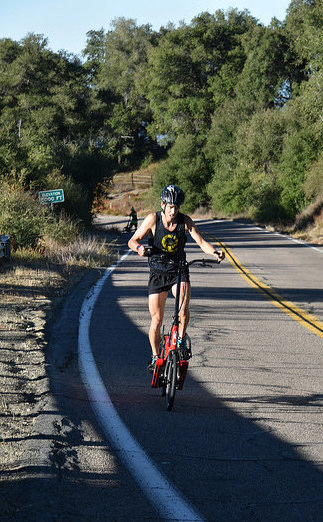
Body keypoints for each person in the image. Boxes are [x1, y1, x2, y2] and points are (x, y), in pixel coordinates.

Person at [128, 185, 225, 372]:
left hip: (179, 270)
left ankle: (180, 340)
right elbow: (133, 240)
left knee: (183, 309)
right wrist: (139, 249)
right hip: (157, 272)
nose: (173, 211)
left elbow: (201, 242)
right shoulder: (152, 219)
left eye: (177, 207)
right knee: (156, 320)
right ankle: (155, 356)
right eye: (170, 207)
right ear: (163, 204)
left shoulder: (185, 221)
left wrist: (215, 253)